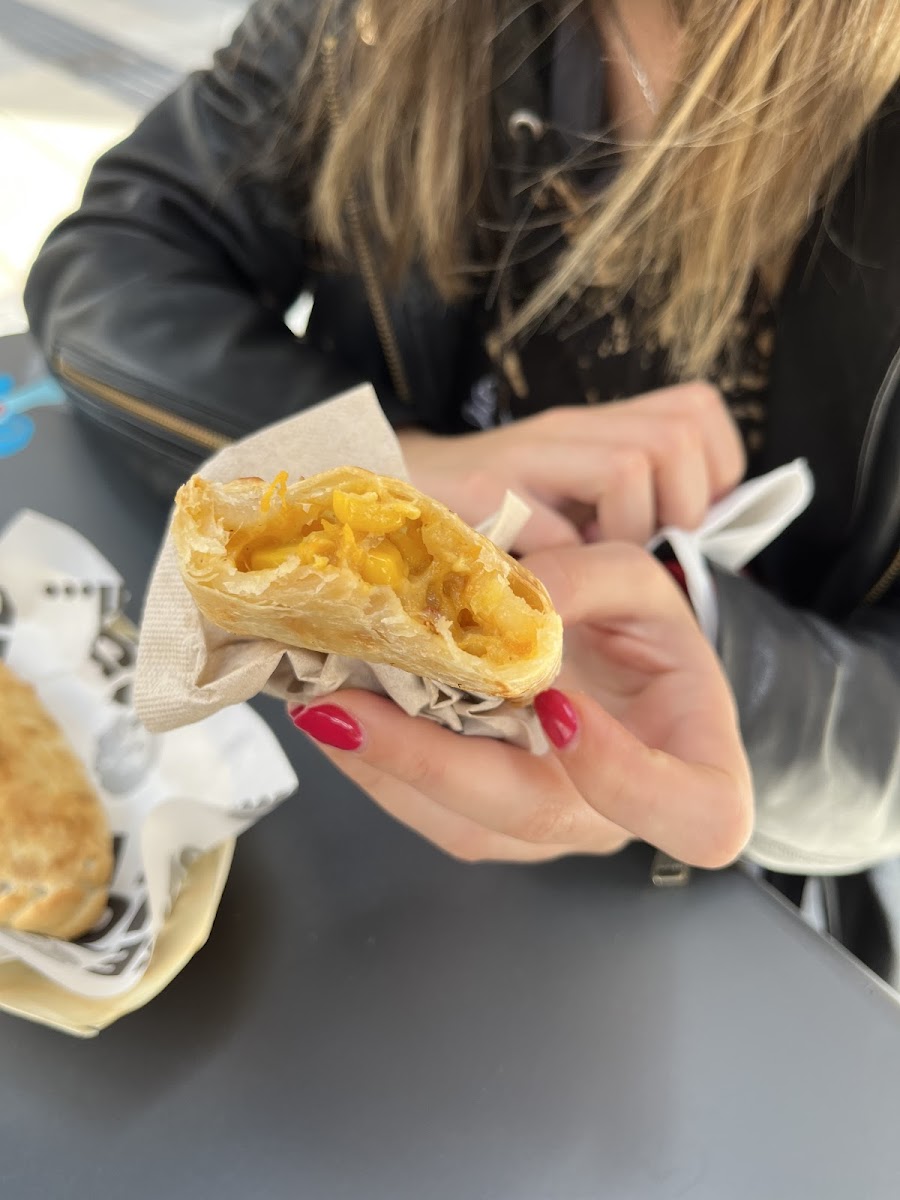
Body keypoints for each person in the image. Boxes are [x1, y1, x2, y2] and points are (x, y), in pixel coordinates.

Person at [24, 3, 900, 904]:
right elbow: (117, 257)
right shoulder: (372, 21)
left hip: (701, 914)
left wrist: (720, 665)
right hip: (300, 811)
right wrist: (386, 459)